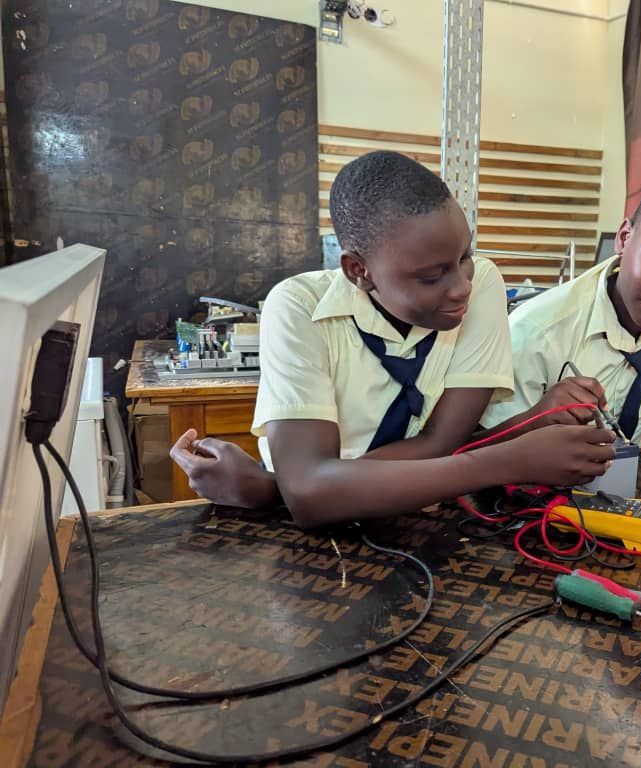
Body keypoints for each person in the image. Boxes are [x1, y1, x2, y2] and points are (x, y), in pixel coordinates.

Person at [170, 151, 613, 526]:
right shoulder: (297, 307)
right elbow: (308, 497)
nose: (460, 286)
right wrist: (511, 459)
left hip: (423, 523)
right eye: (431, 275)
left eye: (465, 257)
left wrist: (278, 488)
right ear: (358, 270)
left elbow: (443, 444)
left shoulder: (482, 286)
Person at [480, 171, 641, 510]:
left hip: (625, 502)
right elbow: (478, 455)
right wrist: (537, 421)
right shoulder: (536, 331)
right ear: (625, 238)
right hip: (534, 509)